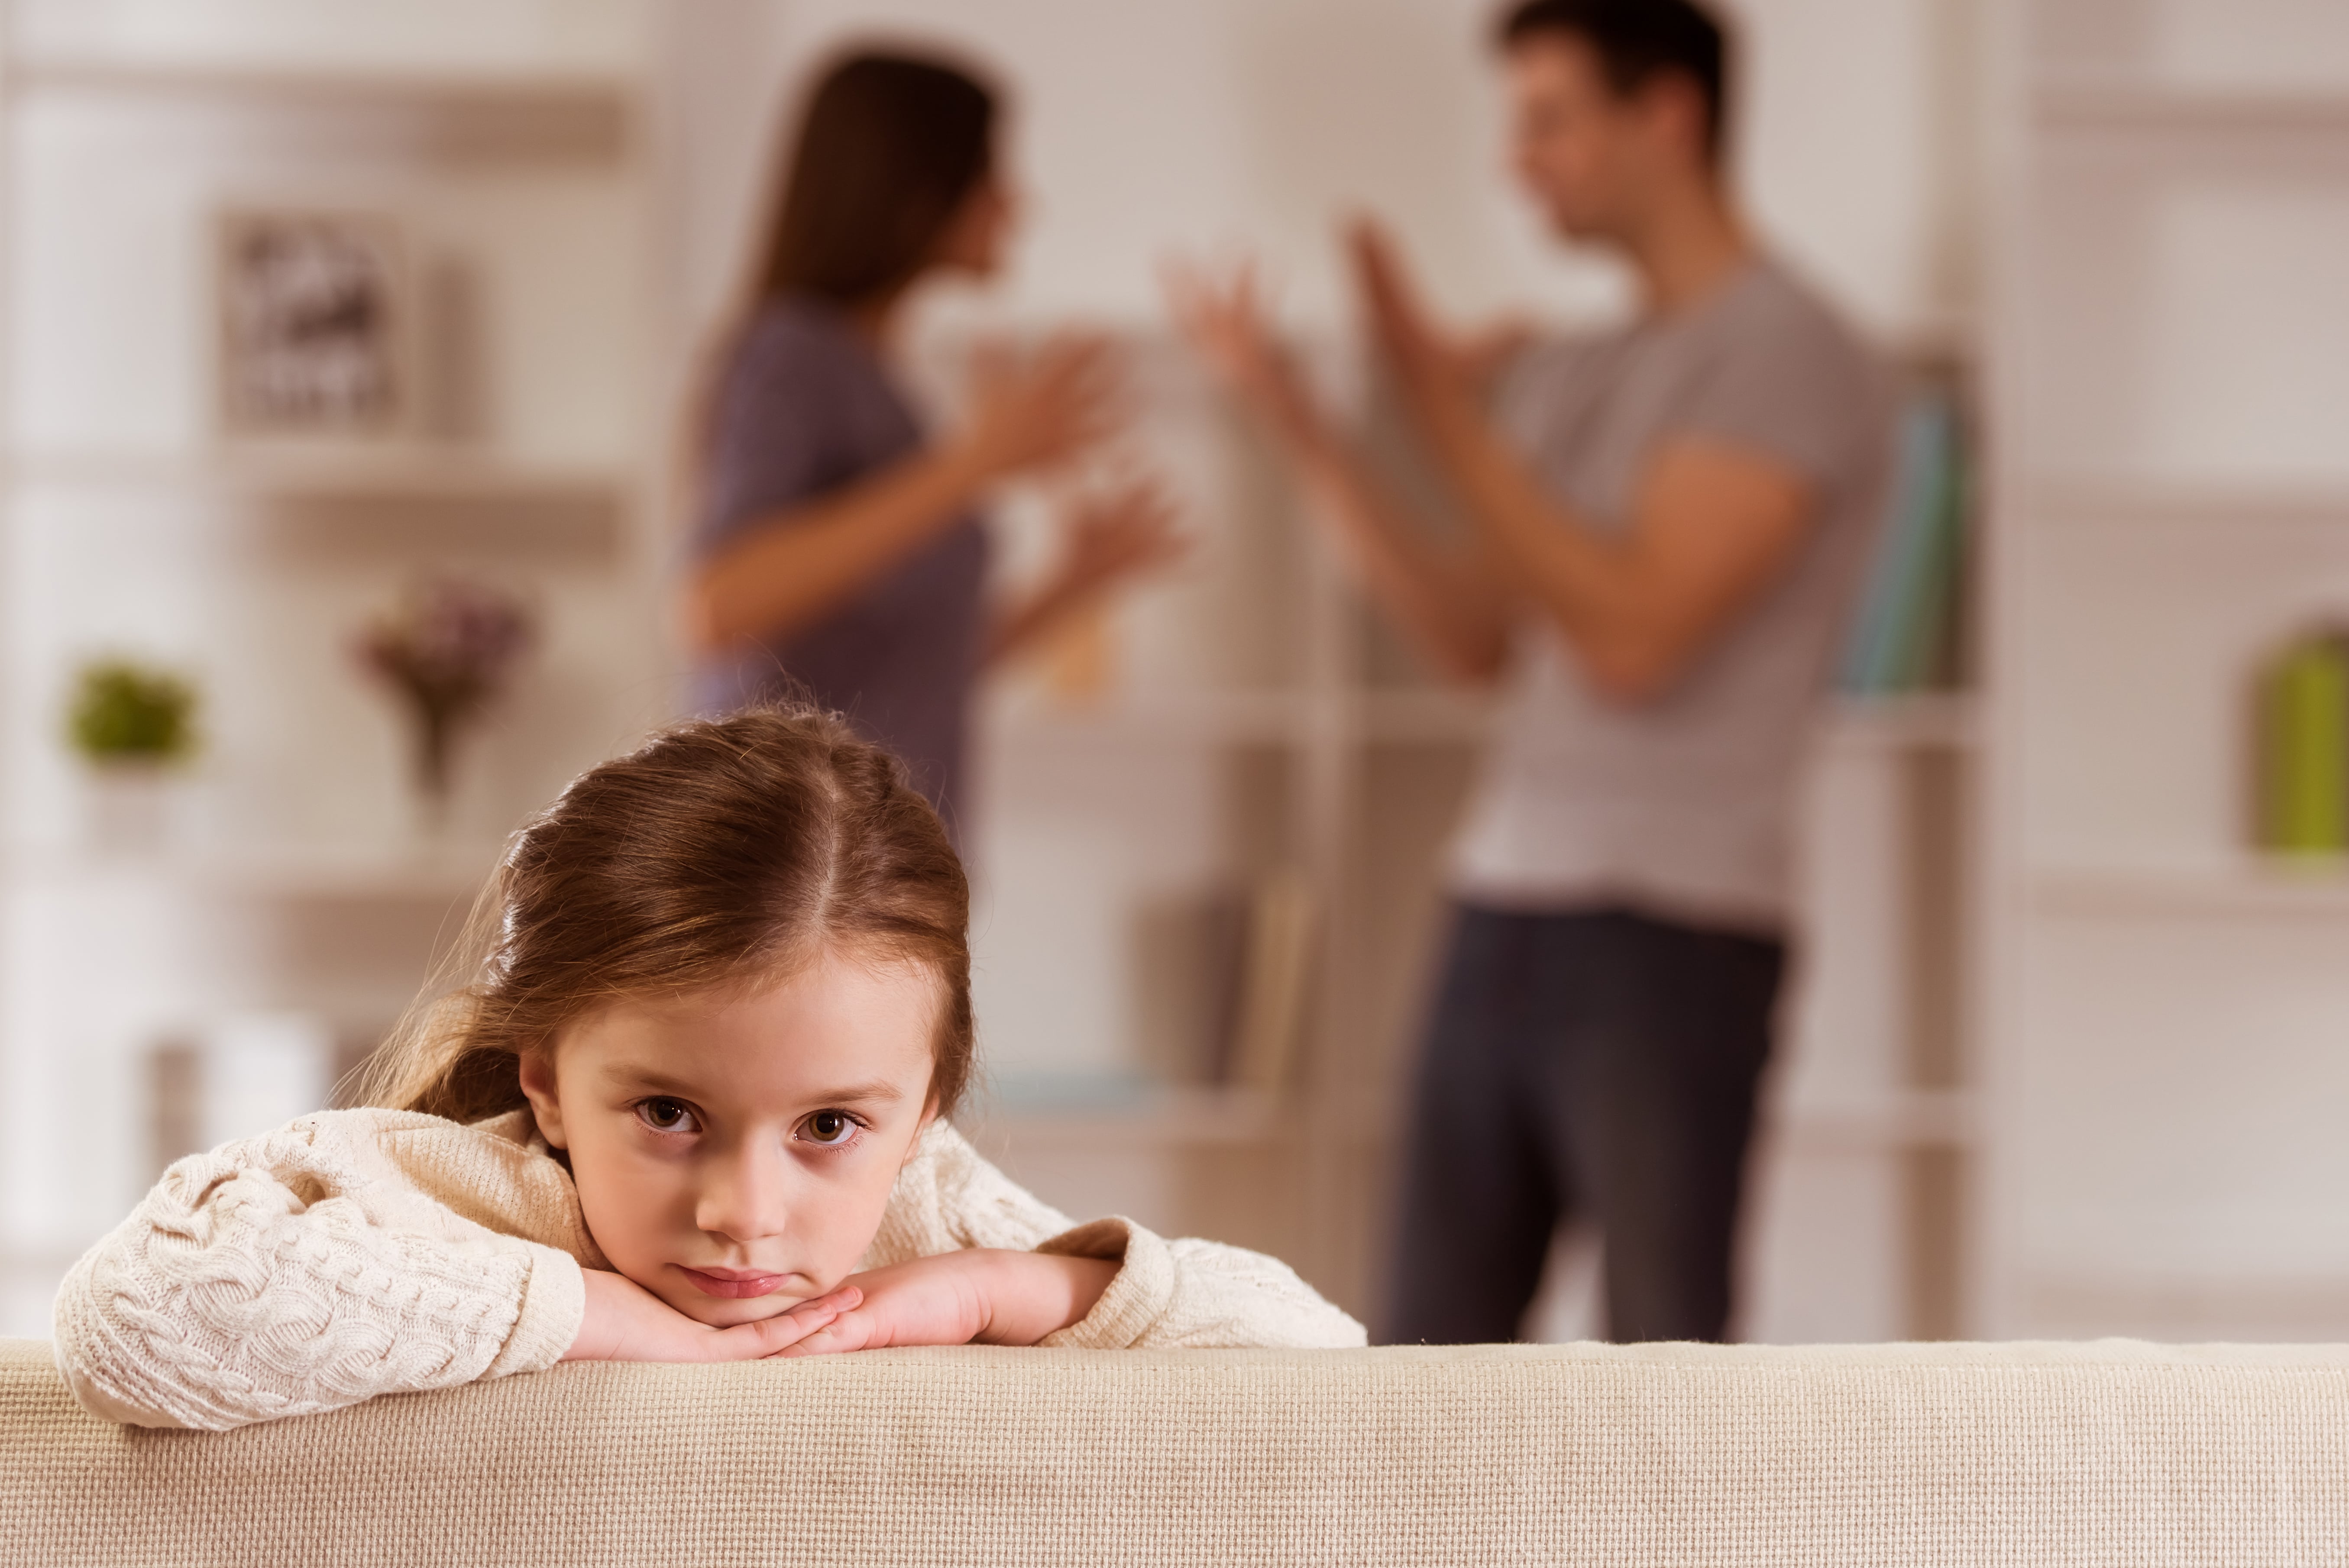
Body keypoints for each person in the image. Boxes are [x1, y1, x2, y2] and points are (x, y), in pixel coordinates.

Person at [1170, 0, 1891, 1344]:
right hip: (1498, 906)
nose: (1519, 162)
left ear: (1666, 113)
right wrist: (1299, 417)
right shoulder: (1578, 368)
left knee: (1659, 1369)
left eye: (1550, 120)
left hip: (1673, 929)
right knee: (1428, 1360)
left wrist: (1449, 414)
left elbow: (1632, 637)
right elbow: (1467, 633)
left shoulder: (1789, 352)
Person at [52, 707, 1365, 1430]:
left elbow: (1328, 1356)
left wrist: (1004, 1284)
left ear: (924, 1111)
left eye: (834, 1124)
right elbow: (130, 1319)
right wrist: (605, 1317)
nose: (745, 1209)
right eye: (670, 1111)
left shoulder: (924, 1213)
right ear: (549, 1081)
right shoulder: (439, 1184)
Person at [686, 50, 1182, 835]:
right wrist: (973, 465)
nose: (1017, 205)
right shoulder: (791, 355)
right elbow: (718, 605)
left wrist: (1072, 583)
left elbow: (910, 670)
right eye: (990, 175)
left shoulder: (877, 383)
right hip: (793, 877)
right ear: (916, 193)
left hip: (873, 869)